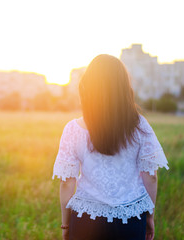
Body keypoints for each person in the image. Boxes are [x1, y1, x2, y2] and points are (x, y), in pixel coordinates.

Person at [52, 54, 169, 240]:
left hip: (85, 220)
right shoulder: (140, 125)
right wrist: (150, 217)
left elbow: (67, 182)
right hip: (130, 220)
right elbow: (151, 176)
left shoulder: (73, 129)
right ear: (123, 87)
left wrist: (66, 224)